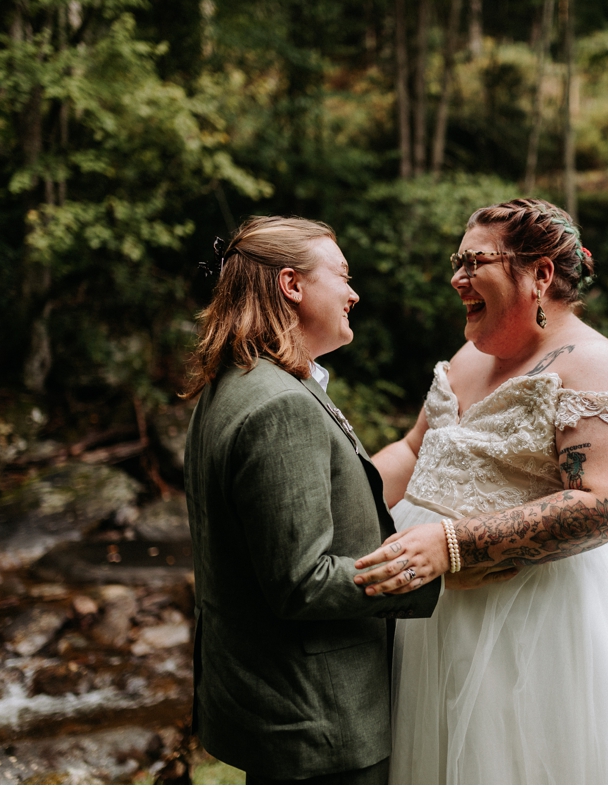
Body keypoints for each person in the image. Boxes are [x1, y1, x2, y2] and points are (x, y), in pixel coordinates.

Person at [357, 198, 608, 783]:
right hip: (431, 609)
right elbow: (414, 449)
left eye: (474, 263)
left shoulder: (595, 366)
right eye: (458, 261)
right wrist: (342, 496)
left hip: (531, 618)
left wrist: (453, 544)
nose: (456, 278)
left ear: (540, 274)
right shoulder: (471, 354)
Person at [182, 216, 443, 784]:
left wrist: (418, 444)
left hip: (270, 703)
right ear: (291, 285)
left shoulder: (234, 385)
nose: (353, 293)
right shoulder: (281, 405)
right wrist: (428, 569)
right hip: (319, 717)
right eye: (342, 275)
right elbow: (302, 581)